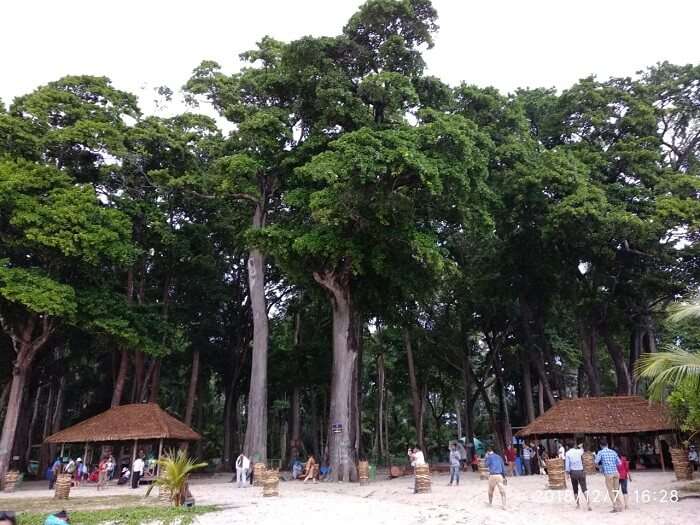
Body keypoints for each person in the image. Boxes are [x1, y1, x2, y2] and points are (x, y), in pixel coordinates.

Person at [595, 440, 622, 512]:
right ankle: (620, 506)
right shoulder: (613, 452)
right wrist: (612, 464)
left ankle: (615, 506)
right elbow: (619, 463)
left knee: (610, 490)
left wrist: (601, 467)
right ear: (607, 445)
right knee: (616, 490)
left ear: (601, 446)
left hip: (608, 474)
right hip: (616, 473)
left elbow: (596, 462)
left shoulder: (600, 452)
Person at [565, 443, 591, 511]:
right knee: (584, 489)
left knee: (575, 489)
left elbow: (567, 465)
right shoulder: (579, 451)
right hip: (581, 471)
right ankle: (589, 504)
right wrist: (580, 446)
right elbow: (582, 449)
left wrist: (567, 473)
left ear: (567, 447)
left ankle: (578, 505)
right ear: (574, 446)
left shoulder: (567, 453)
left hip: (573, 472)